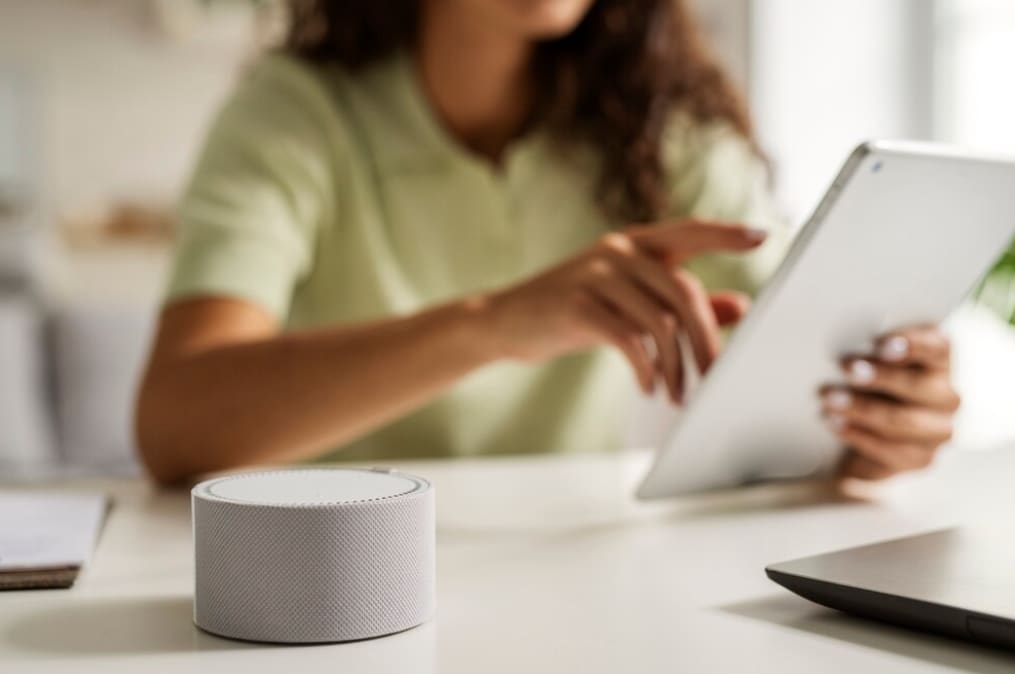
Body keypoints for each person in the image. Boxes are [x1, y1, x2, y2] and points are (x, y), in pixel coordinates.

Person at [135, 0, 959, 485]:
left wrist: (878, 426)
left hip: (562, 565)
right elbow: (177, 426)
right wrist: (492, 323)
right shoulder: (297, 114)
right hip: (332, 582)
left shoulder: (659, 130)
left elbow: (811, 362)